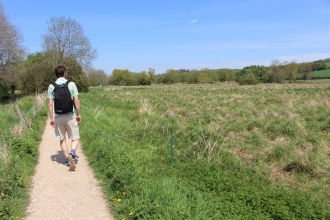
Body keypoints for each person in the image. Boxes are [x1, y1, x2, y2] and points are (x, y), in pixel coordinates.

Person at [47, 66, 81, 170]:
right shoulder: (71, 84)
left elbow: (50, 104)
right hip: (70, 115)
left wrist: (51, 118)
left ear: (56, 74)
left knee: (62, 139)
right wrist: (78, 114)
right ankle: (72, 152)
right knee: (75, 138)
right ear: (65, 73)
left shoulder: (51, 86)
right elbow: (76, 101)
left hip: (58, 116)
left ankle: (67, 159)